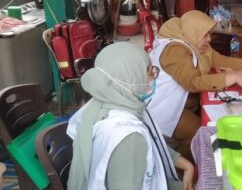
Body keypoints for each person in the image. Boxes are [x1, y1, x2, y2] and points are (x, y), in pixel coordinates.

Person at [148, 10, 242, 162]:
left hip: (178, 103)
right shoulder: (175, 50)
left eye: (209, 34)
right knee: (201, 134)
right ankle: (180, 168)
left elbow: (221, 60)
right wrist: (233, 77)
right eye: (205, 35)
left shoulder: (193, 42)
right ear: (193, 31)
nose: (209, 40)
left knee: (205, 120)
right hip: (161, 108)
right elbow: (193, 82)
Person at [66, 43, 194, 190]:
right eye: (151, 73)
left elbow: (153, 143)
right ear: (131, 80)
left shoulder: (106, 103)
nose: (155, 78)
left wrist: (185, 164)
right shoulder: (129, 137)